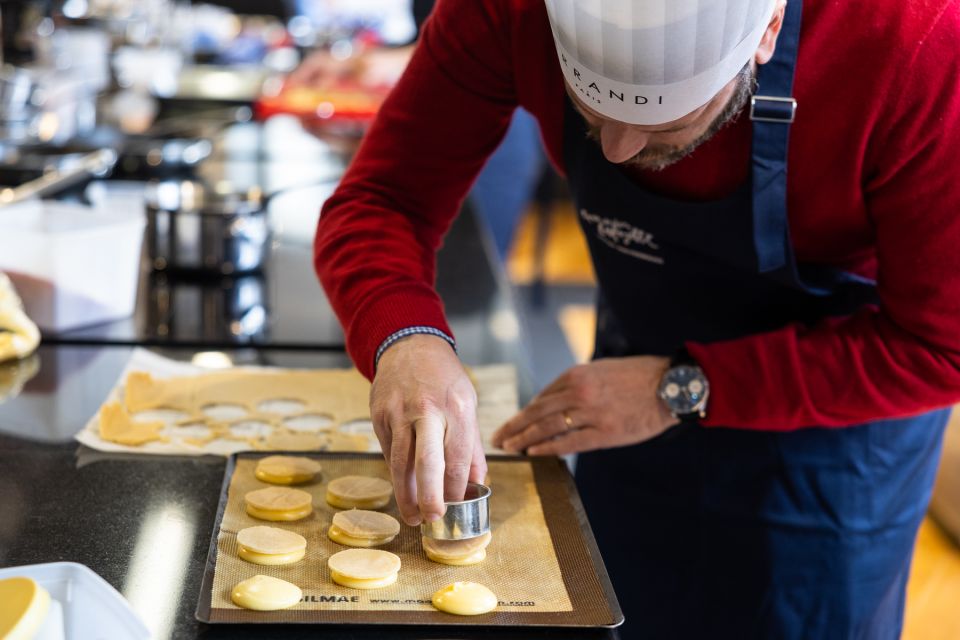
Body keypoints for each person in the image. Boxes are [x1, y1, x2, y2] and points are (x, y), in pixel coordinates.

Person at [314, 0, 960, 637]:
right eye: (589, 112)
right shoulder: (509, 9)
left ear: (767, 29)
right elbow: (384, 197)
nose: (618, 152)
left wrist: (680, 388)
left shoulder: (916, 44)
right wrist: (406, 336)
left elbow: (942, 348)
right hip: (623, 393)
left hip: (837, 427)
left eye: (665, 128)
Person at [289, 0, 545, 260]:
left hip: (488, 127)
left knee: (469, 270)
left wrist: (366, 64)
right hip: (435, 115)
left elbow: (484, 37)